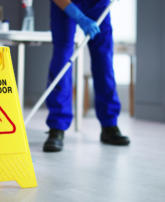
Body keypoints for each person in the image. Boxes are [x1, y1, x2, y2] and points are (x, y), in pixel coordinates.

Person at [41, 0, 131, 152]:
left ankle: (109, 126)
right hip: (65, 3)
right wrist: (79, 17)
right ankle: (57, 127)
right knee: (62, 59)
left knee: (104, 61)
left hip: (97, 3)